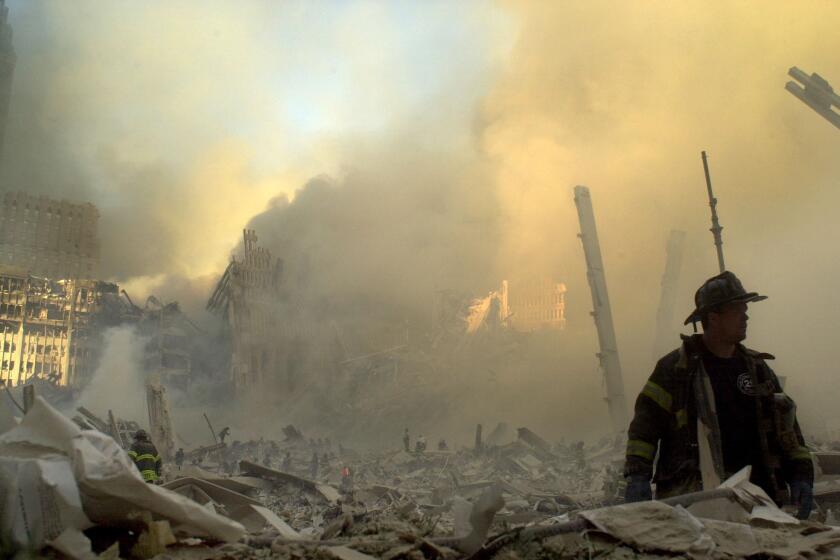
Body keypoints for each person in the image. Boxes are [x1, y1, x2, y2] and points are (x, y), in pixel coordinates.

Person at [624, 271, 813, 518]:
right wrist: (638, 475)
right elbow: (644, 428)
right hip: (696, 503)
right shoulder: (676, 370)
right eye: (737, 310)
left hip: (759, 501)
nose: (746, 316)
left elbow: (788, 431)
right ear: (713, 317)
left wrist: (801, 475)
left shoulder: (757, 370)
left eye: (746, 309)